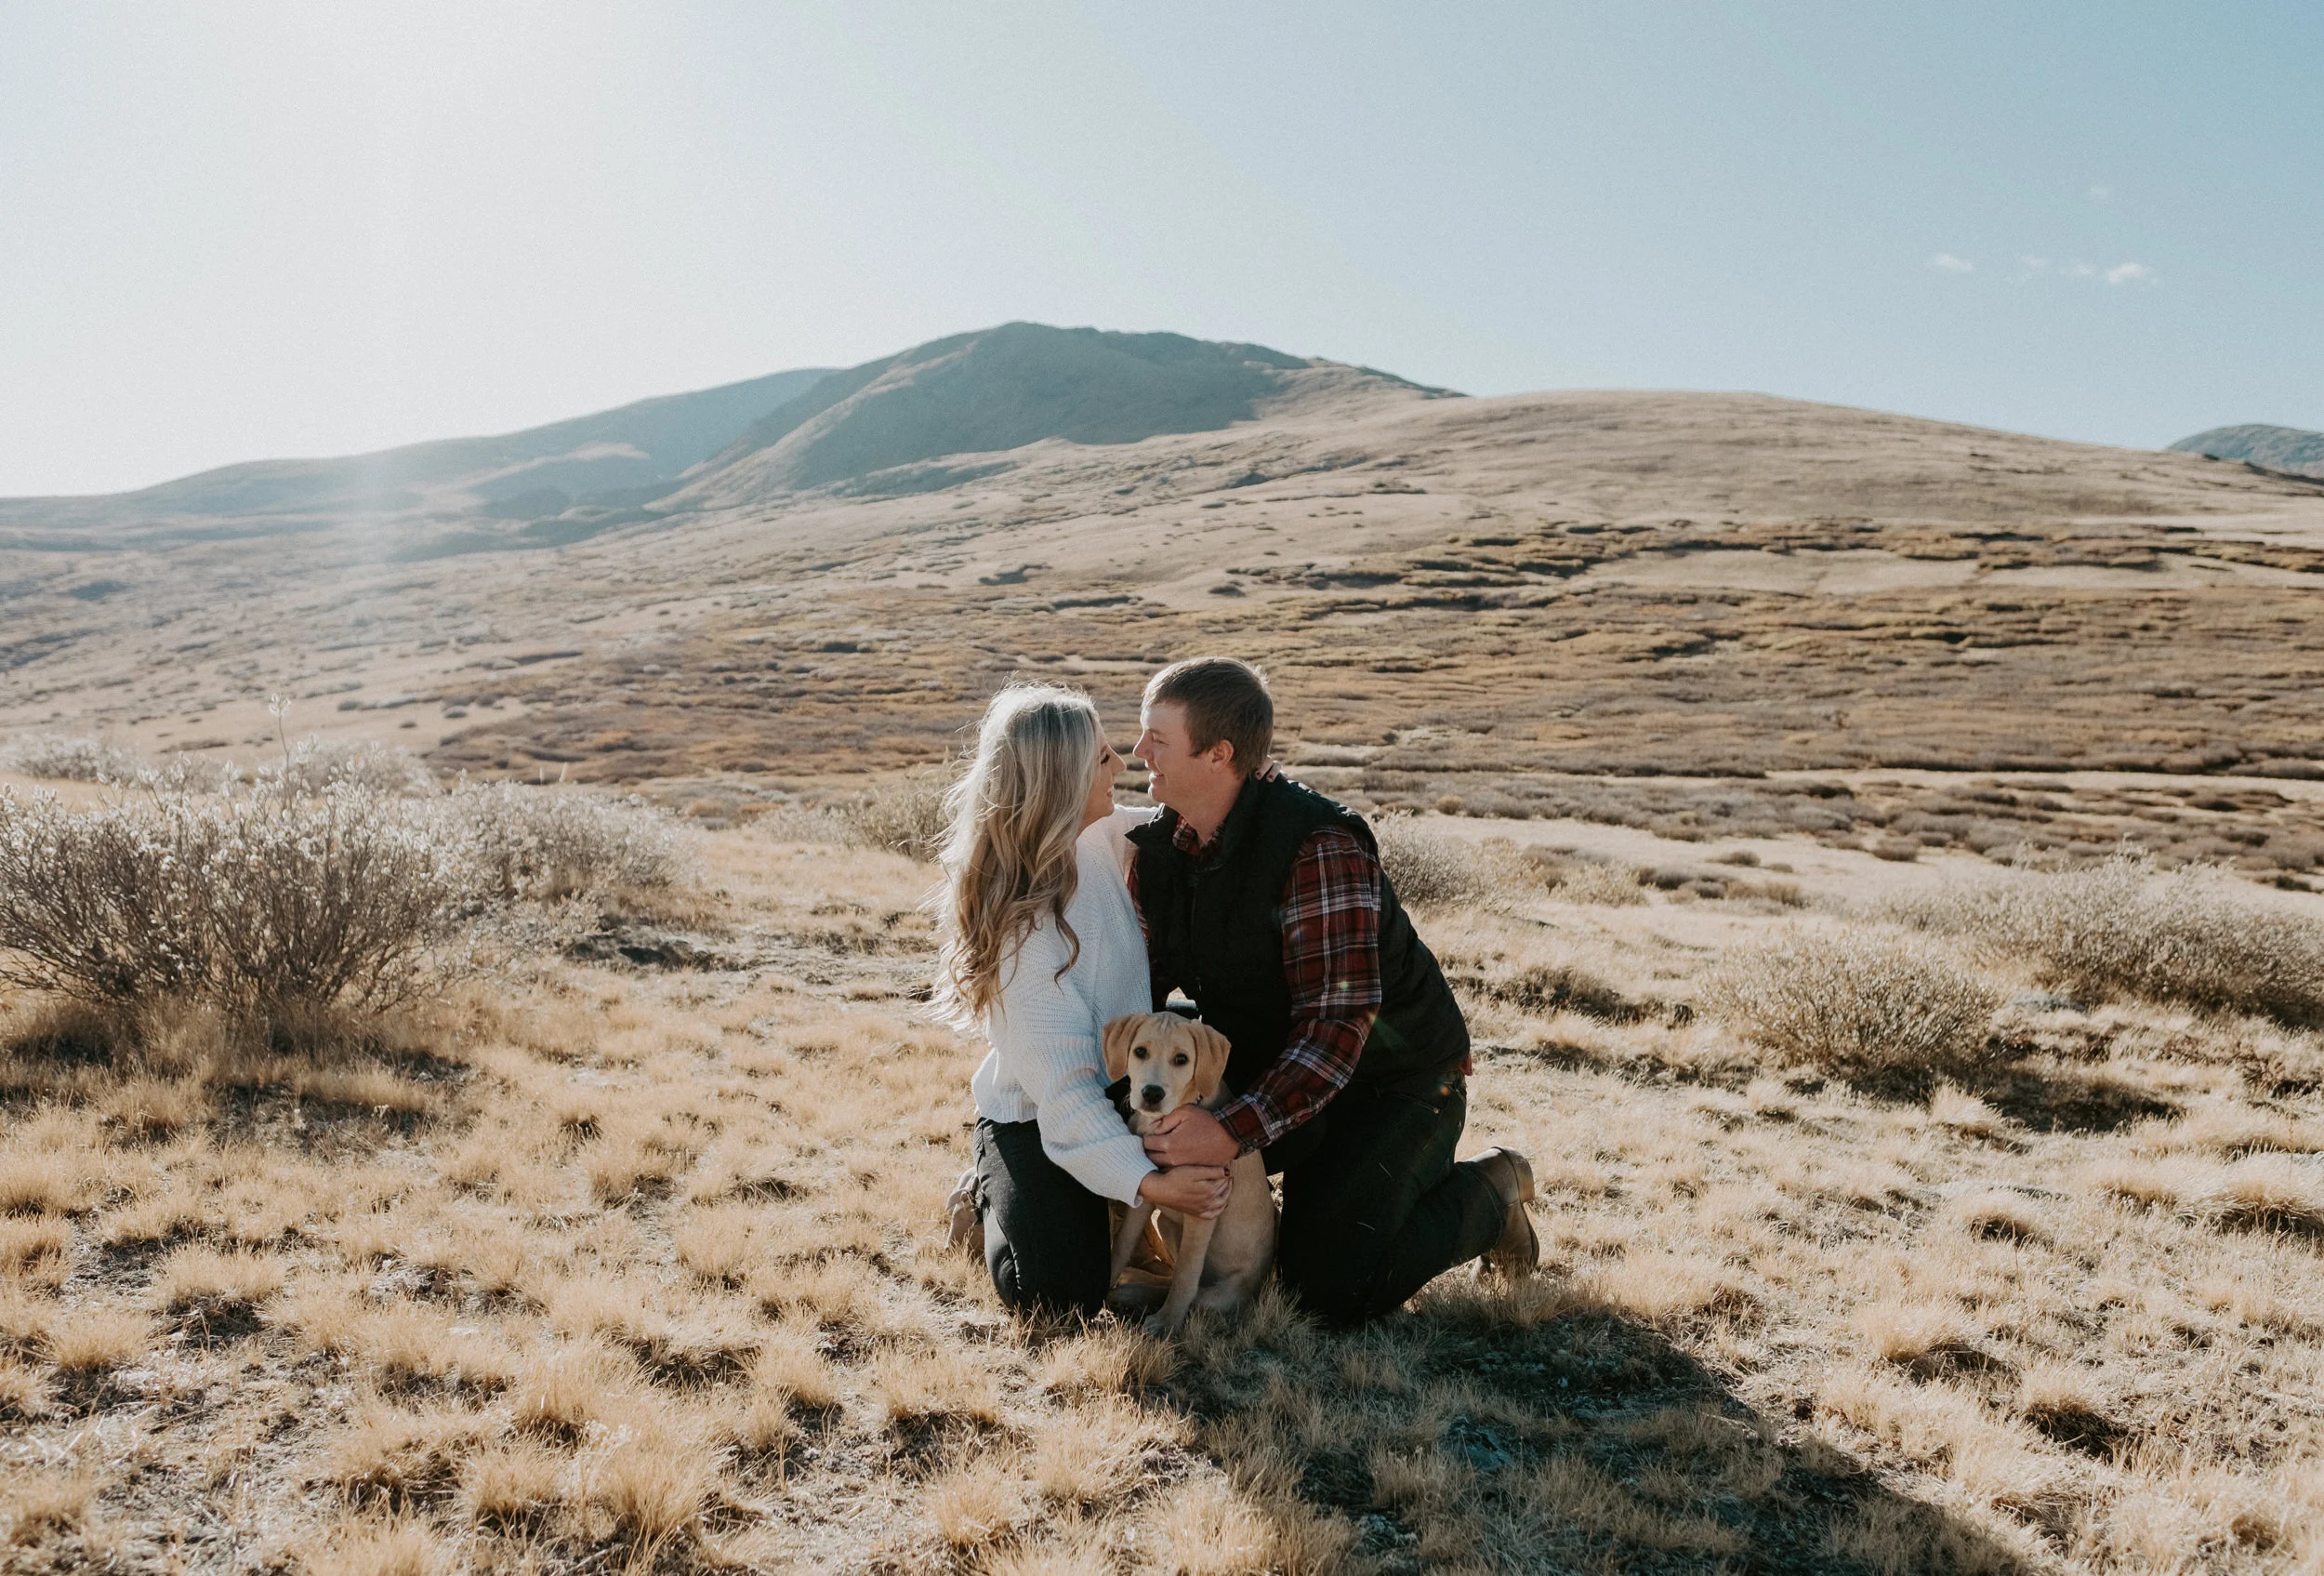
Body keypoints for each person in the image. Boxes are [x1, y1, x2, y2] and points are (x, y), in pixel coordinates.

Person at [1128, 656, 1537, 1324]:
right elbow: (1142, 992)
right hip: (1283, 1071)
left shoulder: (1317, 846)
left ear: (1219, 754)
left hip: (1394, 1081)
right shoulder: (1164, 848)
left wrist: (1226, 1130)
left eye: (1157, 739)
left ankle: (1492, 1192)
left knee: (1324, 1289)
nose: (1138, 751)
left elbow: (1337, 1030)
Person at [933, 682, 1231, 1318]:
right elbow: (1065, 1095)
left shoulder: (1096, 835)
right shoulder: (1022, 931)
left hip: (1123, 1075)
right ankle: (987, 1186)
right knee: (1059, 1293)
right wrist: (1157, 1184)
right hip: (1036, 1111)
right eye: (1102, 759)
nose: (1122, 765)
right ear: (1060, 781)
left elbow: (1181, 818)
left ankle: (1107, 1184)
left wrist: (1245, 782)